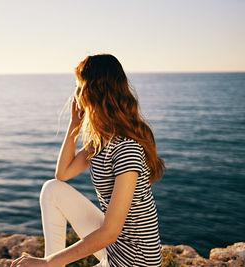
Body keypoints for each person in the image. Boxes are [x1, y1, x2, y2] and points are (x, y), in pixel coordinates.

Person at [11, 54, 165, 267]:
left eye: (78, 86)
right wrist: (75, 123)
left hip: (134, 263)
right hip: (114, 250)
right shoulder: (102, 140)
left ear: (92, 91)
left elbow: (110, 232)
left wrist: (48, 262)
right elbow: (62, 174)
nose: (75, 93)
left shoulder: (126, 149)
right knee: (52, 189)